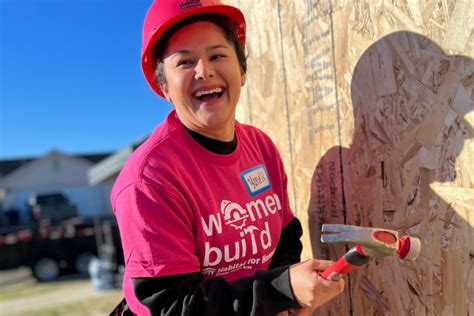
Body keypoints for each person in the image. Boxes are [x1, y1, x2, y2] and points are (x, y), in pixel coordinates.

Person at [111, 0, 345, 315]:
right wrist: (281, 290)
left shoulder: (259, 147)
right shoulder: (149, 180)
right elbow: (172, 306)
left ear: (242, 71)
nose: (204, 71)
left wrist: (285, 298)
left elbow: (284, 235)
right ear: (164, 86)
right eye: (184, 62)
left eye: (218, 55)